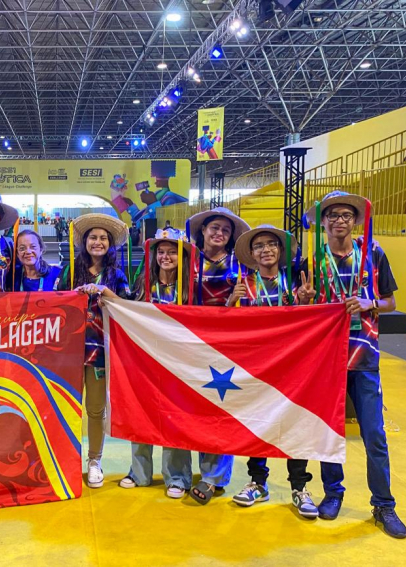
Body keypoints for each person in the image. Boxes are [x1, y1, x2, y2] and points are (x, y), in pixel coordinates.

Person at [298, 190, 406, 538]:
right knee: (329, 431)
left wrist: (369, 300)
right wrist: (305, 300)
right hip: (327, 358)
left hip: (365, 356)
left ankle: (384, 505)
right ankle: (333, 493)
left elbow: (389, 301)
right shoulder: (313, 259)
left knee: (374, 434)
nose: (340, 220)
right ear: (324, 222)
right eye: (333, 215)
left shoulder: (373, 253)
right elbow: (305, 306)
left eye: (346, 215)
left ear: (356, 220)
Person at [226, 225, 318, 519]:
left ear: (280, 250)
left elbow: (309, 324)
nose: (266, 250)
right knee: (260, 424)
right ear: (251, 255)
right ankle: (257, 482)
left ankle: (299, 487)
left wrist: (305, 301)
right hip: (257, 368)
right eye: (259, 246)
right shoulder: (244, 286)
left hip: (292, 367)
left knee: (295, 425)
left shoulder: (294, 285)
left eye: (271, 245)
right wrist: (230, 303)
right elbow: (228, 329)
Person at [57, 213, 132, 488]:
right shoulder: (69, 271)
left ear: (110, 244)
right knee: (64, 406)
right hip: (69, 350)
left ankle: (94, 461)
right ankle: (64, 458)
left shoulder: (117, 275)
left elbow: (127, 308)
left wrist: (105, 293)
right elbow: (55, 303)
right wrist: (74, 295)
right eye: (92, 237)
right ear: (84, 242)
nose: (97, 242)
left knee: (95, 410)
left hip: (100, 351)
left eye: (103, 238)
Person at [119, 228, 194, 499]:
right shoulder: (142, 285)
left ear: (182, 255)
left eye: (172, 251)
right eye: (161, 251)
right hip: (145, 361)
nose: (166, 256)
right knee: (141, 414)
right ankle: (139, 472)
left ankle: (177, 476)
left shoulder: (191, 287)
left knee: (175, 418)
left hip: (178, 363)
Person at [184, 206, 251, 505]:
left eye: (225, 229)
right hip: (191, 345)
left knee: (222, 410)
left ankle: (213, 477)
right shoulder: (188, 262)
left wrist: (234, 302)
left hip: (227, 345)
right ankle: (199, 472)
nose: (218, 233)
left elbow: (252, 304)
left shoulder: (241, 265)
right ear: (202, 231)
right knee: (195, 410)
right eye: (213, 228)